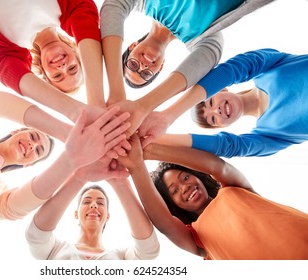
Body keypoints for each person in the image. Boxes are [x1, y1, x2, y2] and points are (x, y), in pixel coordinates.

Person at [0, 90, 130, 258]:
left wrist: (72, 160)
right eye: (34, 136)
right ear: (16, 131)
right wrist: (68, 135)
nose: (32, 145)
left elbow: (20, 206)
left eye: (37, 151)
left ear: (29, 164)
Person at [117, 134, 308, 259]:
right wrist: (136, 165)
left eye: (185, 177)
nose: (184, 187)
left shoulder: (234, 188)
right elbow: (164, 223)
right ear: (172, 204)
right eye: (174, 191)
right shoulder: (196, 238)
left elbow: (219, 167)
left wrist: (149, 151)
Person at [100, 0, 273, 137]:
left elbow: (114, 6)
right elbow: (208, 58)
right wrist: (146, 107)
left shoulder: (143, 2)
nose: (143, 66)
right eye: (146, 73)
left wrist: (116, 92)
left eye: (133, 65)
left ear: (132, 46)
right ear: (161, 68)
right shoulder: (203, 40)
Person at [141, 48, 308, 158]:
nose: (216, 111)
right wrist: (154, 138)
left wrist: (167, 116)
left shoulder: (264, 70)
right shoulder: (267, 134)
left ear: (222, 89)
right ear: (222, 127)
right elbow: (227, 147)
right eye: (213, 119)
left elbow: (232, 69)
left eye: (211, 101)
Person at [26, 156, 159, 260]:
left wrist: (120, 183)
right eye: (86, 201)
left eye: (101, 203)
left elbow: (148, 251)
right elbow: (36, 235)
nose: (94, 205)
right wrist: (80, 177)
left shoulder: (121, 257)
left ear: (107, 216)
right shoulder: (55, 249)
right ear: (76, 214)